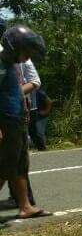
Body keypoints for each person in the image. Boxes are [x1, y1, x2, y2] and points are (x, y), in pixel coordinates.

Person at [0, 25, 51, 219]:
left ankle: (25, 206)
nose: (28, 56)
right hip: (6, 122)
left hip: (18, 120)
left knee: (20, 165)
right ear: (14, 48)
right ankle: (24, 205)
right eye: (26, 51)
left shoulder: (10, 65)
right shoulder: (1, 67)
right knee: (4, 167)